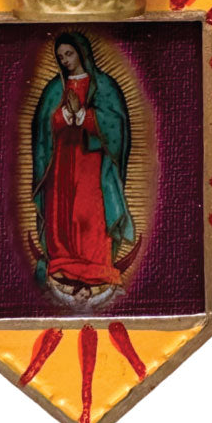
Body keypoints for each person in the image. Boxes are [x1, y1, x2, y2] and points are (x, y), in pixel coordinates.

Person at [31, 32, 134, 294]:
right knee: (62, 209)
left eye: (69, 54)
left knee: (88, 210)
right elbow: (43, 125)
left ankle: (96, 264)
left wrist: (83, 115)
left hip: (91, 161)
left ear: (82, 53)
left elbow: (116, 125)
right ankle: (63, 261)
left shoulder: (104, 86)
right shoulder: (55, 88)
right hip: (61, 159)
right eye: (60, 57)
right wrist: (63, 115)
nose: (65, 60)